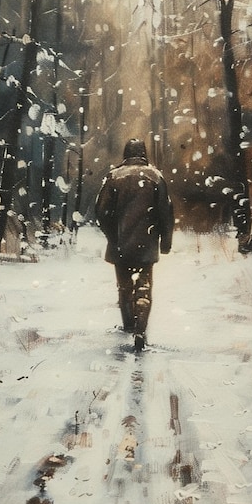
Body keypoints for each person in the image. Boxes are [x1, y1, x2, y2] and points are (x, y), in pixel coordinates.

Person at [95, 139, 174, 351]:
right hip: (146, 244)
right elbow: (166, 214)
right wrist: (165, 242)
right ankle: (140, 330)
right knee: (144, 288)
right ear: (144, 153)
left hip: (120, 244)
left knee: (124, 287)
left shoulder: (113, 177)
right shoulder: (156, 177)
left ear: (125, 154)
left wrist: (113, 234)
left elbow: (101, 212)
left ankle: (129, 325)